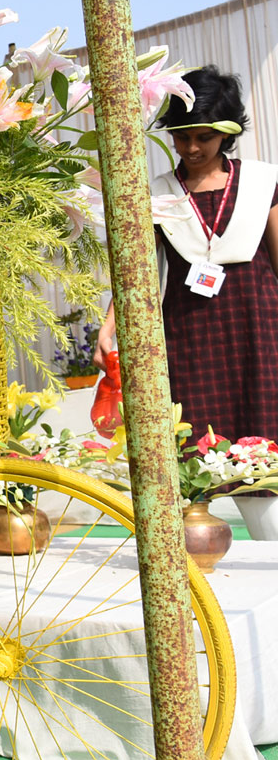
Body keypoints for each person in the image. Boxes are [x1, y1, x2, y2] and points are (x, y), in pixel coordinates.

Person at [94, 66, 278, 534]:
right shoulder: (154, 192)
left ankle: (270, 543)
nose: (192, 148)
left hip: (260, 328)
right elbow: (133, 268)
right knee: (194, 436)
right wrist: (109, 325)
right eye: (181, 137)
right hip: (189, 335)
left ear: (227, 132)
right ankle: (198, 557)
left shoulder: (261, 183)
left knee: (265, 436)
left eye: (204, 137)